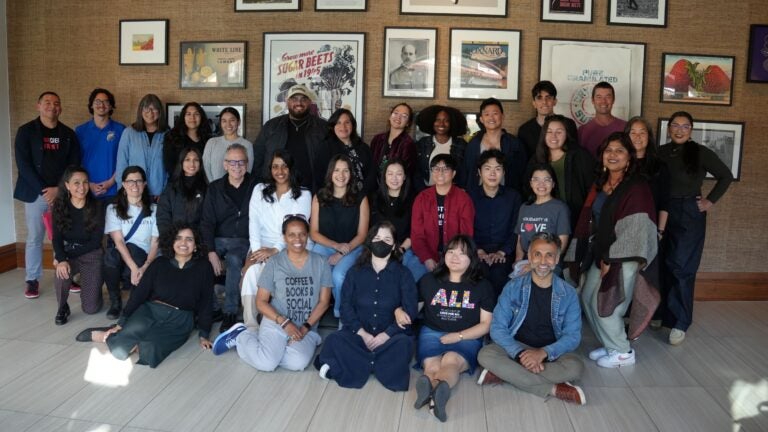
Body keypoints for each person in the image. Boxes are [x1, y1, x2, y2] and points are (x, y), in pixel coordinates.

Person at [571, 132, 659, 368]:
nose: (613, 155)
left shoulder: (637, 187)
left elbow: (637, 229)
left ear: (629, 158)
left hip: (624, 255)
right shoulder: (600, 183)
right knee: (588, 298)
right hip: (600, 253)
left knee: (608, 304)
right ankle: (611, 345)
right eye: (608, 150)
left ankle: (622, 352)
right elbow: (589, 220)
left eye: (619, 151)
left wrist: (611, 258)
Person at [77, 222, 215, 368]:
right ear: (172, 241)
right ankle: (111, 334)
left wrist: (204, 334)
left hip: (180, 320)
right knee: (120, 349)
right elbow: (140, 294)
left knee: (153, 348)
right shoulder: (159, 263)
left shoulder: (204, 267)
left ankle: (125, 335)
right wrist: (122, 321)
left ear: (196, 245)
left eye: (189, 239)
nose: (183, 243)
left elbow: (206, 301)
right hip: (150, 311)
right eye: (179, 238)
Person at [212, 216, 332, 373]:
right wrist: (284, 323)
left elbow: (324, 301)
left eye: (302, 234)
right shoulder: (274, 262)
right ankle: (242, 337)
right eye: (291, 234)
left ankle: (268, 350)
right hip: (277, 321)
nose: (298, 239)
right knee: (267, 364)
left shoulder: (321, 262)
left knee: (297, 363)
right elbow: (261, 301)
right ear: (284, 237)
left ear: (307, 235)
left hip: (306, 326)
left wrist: (305, 327)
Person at [477, 232, 585, 405]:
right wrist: (520, 354)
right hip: (517, 346)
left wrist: (543, 353)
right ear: (529, 257)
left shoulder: (568, 293)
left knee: (575, 367)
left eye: (549, 255)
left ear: (557, 259)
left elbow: (573, 336)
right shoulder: (513, 287)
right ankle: (553, 389)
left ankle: (506, 374)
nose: (543, 261)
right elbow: (497, 328)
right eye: (537, 254)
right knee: (485, 354)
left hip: (551, 350)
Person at [314, 222, 418, 391]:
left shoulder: (403, 274)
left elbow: (411, 310)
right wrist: (363, 334)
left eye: (387, 239)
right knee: (334, 339)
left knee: (404, 344)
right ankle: (376, 364)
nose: (381, 242)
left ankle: (357, 363)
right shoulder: (354, 272)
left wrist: (385, 335)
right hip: (360, 335)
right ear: (369, 243)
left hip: (390, 338)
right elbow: (345, 307)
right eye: (377, 238)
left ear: (393, 247)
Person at [658, 112, 732, 345]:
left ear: (691, 129)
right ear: (669, 128)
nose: (680, 130)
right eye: (675, 125)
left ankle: (680, 322)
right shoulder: (660, 152)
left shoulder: (699, 152)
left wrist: (709, 201)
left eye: (685, 126)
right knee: (662, 264)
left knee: (682, 267)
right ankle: (664, 316)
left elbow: (725, 176)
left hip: (689, 212)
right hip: (662, 210)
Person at [410, 235, 495, 422]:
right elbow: (413, 310)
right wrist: (400, 312)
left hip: (468, 335)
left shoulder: (482, 286)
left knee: (451, 360)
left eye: (462, 253)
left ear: (472, 259)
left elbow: (486, 324)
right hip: (432, 331)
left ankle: (434, 391)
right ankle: (433, 392)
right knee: (432, 364)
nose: (455, 256)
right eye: (451, 251)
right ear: (444, 255)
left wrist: (459, 336)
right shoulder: (428, 281)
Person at [14, 91, 80, 299]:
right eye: (48, 103)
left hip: (62, 193)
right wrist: (45, 191)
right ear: (39, 106)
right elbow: (23, 165)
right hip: (36, 194)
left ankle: (66, 277)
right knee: (35, 238)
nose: (52, 106)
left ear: (60, 108)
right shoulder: (26, 132)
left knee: (65, 237)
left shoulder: (68, 134)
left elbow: (74, 165)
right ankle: (32, 280)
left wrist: (59, 189)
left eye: (56, 103)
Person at [240, 150, 312, 328]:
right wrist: (257, 253)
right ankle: (251, 325)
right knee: (250, 274)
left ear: (291, 169)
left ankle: (275, 322)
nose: (280, 171)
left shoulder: (303, 194)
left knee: (273, 273)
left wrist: (274, 251)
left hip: (289, 247)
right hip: (260, 245)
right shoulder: (259, 190)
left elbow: (296, 229)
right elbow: (253, 221)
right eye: (275, 166)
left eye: (284, 166)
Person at [200, 144, 257, 332]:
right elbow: (207, 222)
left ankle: (230, 313)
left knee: (233, 259)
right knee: (199, 260)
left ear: (247, 164)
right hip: (218, 239)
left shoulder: (256, 186)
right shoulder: (215, 188)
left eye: (241, 161)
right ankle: (214, 308)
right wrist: (210, 252)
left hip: (244, 240)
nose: (237, 166)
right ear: (225, 164)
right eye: (232, 162)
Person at [310, 155, 370, 317]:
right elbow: (313, 232)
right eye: (337, 170)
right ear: (330, 173)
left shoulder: (361, 198)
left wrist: (344, 250)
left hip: (353, 247)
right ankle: (311, 317)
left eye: (345, 171)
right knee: (315, 272)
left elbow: (363, 234)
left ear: (351, 174)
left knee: (338, 275)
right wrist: (335, 247)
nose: (341, 175)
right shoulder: (319, 197)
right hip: (326, 245)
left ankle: (341, 314)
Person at [626, 117, 670, 328]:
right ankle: (626, 314)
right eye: (633, 132)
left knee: (648, 273)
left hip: (650, 227)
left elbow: (665, 201)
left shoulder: (659, 165)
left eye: (642, 132)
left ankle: (649, 315)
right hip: (624, 228)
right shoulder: (621, 161)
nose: (637, 137)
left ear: (649, 137)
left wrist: (660, 231)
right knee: (626, 272)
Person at [103, 166, 160, 320]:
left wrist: (145, 265)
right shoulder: (113, 209)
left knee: (137, 253)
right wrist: (134, 268)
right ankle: (115, 302)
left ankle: (134, 304)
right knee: (110, 257)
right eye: (130, 181)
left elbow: (156, 242)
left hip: (145, 257)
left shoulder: (154, 209)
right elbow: (119, 241)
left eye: (138, 181)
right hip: (123, 257)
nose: (134, 185)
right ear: (123, 184)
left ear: (145, 184)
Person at [253, 84, 329, 193]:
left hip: (313, 190)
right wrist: (259, 186)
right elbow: (258, 157)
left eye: (303, 99)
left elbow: (331, 159)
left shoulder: (323, 127)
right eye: (294, 99)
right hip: (276, 190)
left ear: (309, 102)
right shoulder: (271, 126)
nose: (299, 103)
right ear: (287, 101)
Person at [52, 166, 104, 324]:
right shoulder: (59, 206)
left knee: (91, 309)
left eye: (85, 182)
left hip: (91, 254)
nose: (81, 187)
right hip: (69, 251)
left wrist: (65, 256)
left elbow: (95, 242)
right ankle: (62, 307)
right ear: (67, 185)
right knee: (61, 272)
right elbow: (56, 238)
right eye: (76, 183)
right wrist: (61, 259)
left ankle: (95, 292)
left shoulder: (97, 206)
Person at [469, 149, 522, 297]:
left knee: (500, 275)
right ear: (479, 172)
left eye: (497, 169)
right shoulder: (469, 197)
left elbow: (516, 229)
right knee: (479, 274)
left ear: (504, 172)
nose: (493, 173)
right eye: (487, 168)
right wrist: (478, 250)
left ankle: (498, 317)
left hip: (504, 252)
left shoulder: (513, 197)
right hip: (476, 252)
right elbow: (466, 228)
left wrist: (502, 251)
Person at [411, 154, 475, 273]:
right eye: (436, 168)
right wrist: (427, 258)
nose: (440, 173)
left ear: (454, 173)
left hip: (455, 256)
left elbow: (466, 236)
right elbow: (417, 235)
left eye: (445, 169)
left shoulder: (464, 199)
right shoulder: (421, 198)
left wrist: (452, 259)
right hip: (427, 254)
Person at [532, 114, 595, 229]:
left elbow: (592, 188)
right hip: (544, 219)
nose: (553, 136)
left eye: (559, 132)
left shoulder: (580, 156)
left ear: (566, 134)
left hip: (575, 218)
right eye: (549, 132)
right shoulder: (536, 159)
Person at [371, 159, 427, 282]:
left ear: (405, 176)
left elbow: (416, 231)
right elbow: (372, 229)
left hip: (405, 248)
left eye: (399, 174)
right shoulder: (376, 198)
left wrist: (400, 250)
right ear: (384, 176)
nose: (394, 178)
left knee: (411, 273)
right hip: (380, 247)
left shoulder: (414, 199)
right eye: (390, 174)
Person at [461, 98, 527, 195]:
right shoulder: (473, 144)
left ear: (502, 116)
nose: (491, 118)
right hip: (478, 198)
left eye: (495, 114)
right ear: (481, 119)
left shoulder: (514, 144)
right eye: (487, 114)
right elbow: (466, 173)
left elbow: (522, 173)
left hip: (507, 198)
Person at [514, 163, 571, 271]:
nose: (541, 184)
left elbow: (562, 244)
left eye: (546, 180)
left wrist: (536, 265)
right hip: (526, 261)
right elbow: (520, 238)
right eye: (536, 179)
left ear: (553, 184)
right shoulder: (525, 207)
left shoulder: (560, 208)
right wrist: (518, 260)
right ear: (531, 183)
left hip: (549, 263)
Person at [75, 88, 125, 205]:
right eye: (97, 102)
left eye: (106, 102)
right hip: (86, 190)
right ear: (91, 105)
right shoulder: (80, 131)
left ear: (111, 106)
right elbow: (76, 161)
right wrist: (88, 183)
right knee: (90, 223)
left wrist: (111, 182)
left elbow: (124, 160)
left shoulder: (121, 129)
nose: (101, 105)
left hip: (113, 190)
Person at [115, 94, 168, 199]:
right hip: (133, 193)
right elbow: (121, 163)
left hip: (158, 195)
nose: (150, 113)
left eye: (154, 109)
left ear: (160, 111)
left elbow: (170, 167)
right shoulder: (129, 133)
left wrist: (165, 191)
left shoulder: (168, 134)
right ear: (140, 111)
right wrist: (122, 189)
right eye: (146, 109)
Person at [517, 81, 578, 158]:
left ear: (555, 101)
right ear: (534, 103)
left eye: (548, 97)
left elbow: (575, 155)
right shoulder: (524, 130)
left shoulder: (569, 124)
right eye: (539, 98)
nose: (544, 102)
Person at [414, 105, 468, 192]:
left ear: (452, 123)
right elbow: (417, 172)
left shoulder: (461, 145)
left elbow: (465, 171)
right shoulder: (422, 144)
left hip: (453, 192)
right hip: (428, 192)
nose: (441, 124)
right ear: (432, 121)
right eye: (437, 120)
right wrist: (422, 192)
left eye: (446, 121)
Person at [157, 147, 208, 236]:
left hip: (198, 239)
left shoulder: (207, 188)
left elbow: (208, 219)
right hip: (174, 238)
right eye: (187, 159)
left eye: (196, 160)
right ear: (181, 162)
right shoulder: (171, 187)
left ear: (200, 163)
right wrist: (170, 239)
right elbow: (163, 216)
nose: (192, 163)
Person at [325, 108, 376, 197]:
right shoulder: (325, 148)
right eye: (338, 123)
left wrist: (362, 195)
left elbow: (372, 173)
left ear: (352, 125)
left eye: (347, 122)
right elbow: (321, 177)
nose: (343, 127)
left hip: (364, 197)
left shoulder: (363, 147)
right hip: (337, 199)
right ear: (333, 126)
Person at [202, 107, 254, 182]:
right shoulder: (211, 143)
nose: (228, 124)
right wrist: (214, 187)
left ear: (238, 122)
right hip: (214, 190)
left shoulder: (247, 145)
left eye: (232, 120)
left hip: (238, 190)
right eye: (224, 121)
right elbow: (206, 168)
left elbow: (247, 171)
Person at [577, 82, 627, 158]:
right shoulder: (582, 131)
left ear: (613, 100)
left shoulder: (625, 127)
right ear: (593, 101)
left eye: (608, 97)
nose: (603, 101)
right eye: (599, 97)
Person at [163, 102, 212, 175]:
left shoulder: (208, 140)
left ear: (201, 117)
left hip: (203, 183)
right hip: (179, 183)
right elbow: (169, 166)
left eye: (196, 114)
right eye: (188, 114)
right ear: (183, 117)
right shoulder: (172, 137)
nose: (192, 117)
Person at [370, 103, 417, 177]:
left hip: (396, 185)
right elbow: (371, 165)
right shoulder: (377, 139)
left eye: (404, 116)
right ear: (390, 116)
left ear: (408, 123)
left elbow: (407, 173)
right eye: (396, 113)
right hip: (375, 185)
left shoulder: (408, 144)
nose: (398, 117)